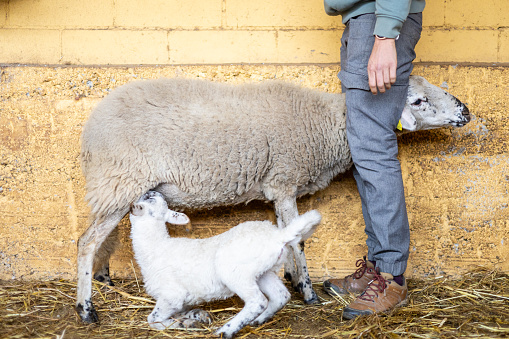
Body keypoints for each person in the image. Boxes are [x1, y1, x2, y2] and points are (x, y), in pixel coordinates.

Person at [322, 0, 426, 319]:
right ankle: (378, 268)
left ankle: (391, 278)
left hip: (378, 21)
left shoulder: (382, 29)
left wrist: (384, 35)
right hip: (365, 19)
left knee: (373, 148)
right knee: (365, 148)